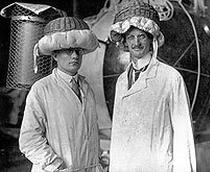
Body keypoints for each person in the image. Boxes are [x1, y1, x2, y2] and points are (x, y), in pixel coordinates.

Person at [109, 1, 197, 172]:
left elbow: (183, 133)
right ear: (124, 43)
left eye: (142, 36)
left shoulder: (170, 78)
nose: (136, 43)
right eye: (131, 37)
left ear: (151, 39)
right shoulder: (121, 81)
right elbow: (117, 135)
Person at [19, 17, 103, 172]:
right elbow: (29, 141)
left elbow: (90, 134)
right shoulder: (41, 89)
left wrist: (98, 159)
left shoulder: (86, 88)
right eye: (68, 51)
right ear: (55, 55)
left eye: (78, 51)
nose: (75, 56)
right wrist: (55, 165)